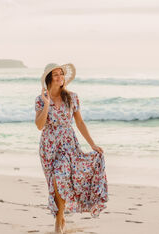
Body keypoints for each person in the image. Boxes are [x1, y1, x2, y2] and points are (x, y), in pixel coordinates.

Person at [34, 63, 108, 233]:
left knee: (61, 178)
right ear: (49, 79)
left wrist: (92, 144)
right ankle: (61, 217)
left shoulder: (72, 97)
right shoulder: (40, 99)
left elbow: (80, 122)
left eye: (62, 74)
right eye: (56, 75)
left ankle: (58, 222)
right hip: (48, 147)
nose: (60, 77)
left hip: (68, 145)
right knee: (55, 184)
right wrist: (46, 104)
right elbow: (39, 125)